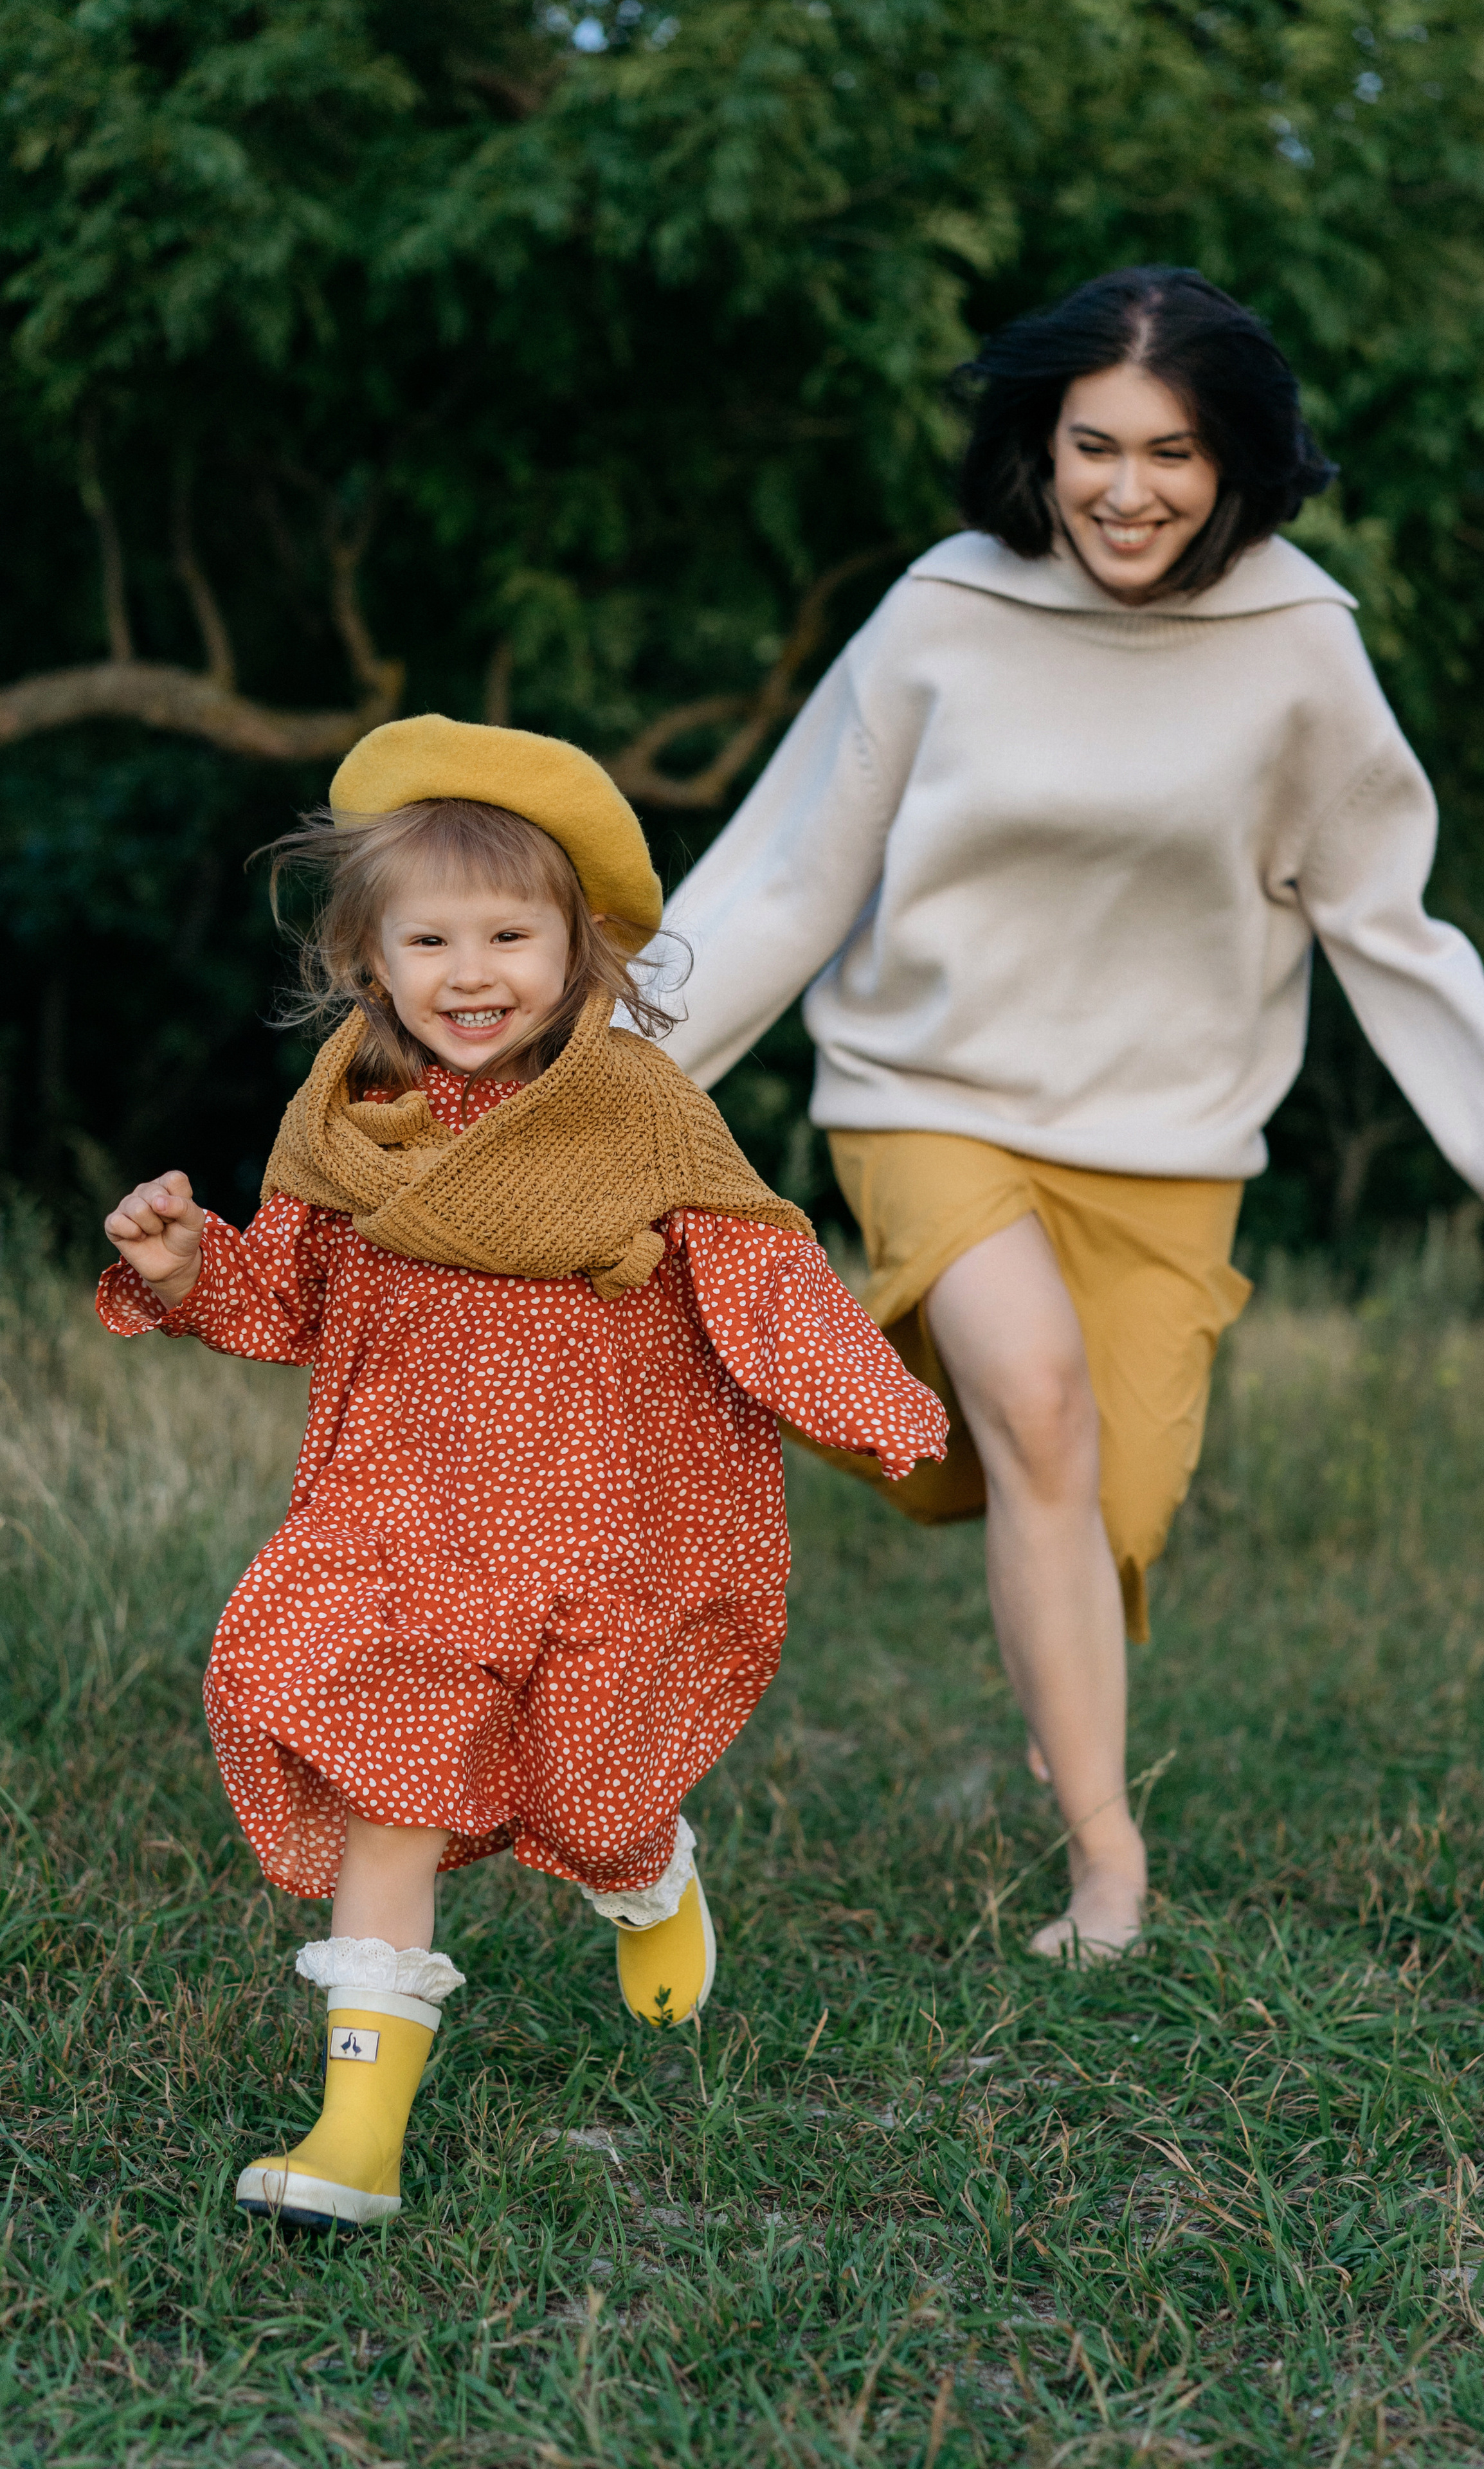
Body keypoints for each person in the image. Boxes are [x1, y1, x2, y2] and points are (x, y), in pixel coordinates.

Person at [646, 265, 1484, 1967]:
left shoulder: (1298, 643)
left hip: (1168, 1144)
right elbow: (787, 877)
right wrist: (602, 1092)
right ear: (1041, 444)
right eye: (1094, 446)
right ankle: (1106, 1863)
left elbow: (1383, 918)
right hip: (929, 1092)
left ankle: (1018, 1639)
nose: (1126, 490)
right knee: (1038, 1406)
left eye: (1172, 452)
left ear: (1233, 465)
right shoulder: (944, 609)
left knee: (1103, 1507)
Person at [98, 714, 945, 2233]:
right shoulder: (348, 1120)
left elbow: (760, 1274)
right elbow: (286, 1302)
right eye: (429, 938)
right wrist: (185, 1269)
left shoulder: (636, 1112)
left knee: (593, 1795)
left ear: (578, 948)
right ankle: (356, 2139)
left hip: (602, 1527)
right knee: (389, 1782)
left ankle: (645, 1871)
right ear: (368, 957)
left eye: (508, 935)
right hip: (401, 1525)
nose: (469, 972)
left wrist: (871, 1402)